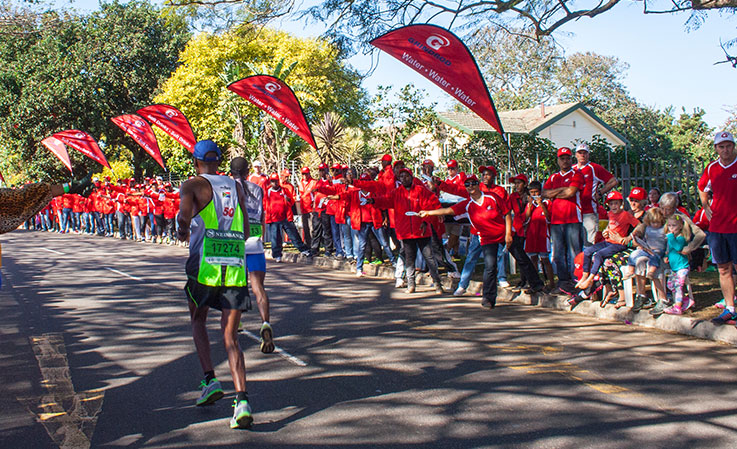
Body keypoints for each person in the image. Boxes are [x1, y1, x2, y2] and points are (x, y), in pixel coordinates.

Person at [177, 140, 253, 429]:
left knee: (197, 320)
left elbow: (184, 217)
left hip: (203, 266)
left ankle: (210, 380)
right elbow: (245, 229)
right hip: (234, 265)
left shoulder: (192, 185)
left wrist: (184, 231)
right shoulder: (236, 186)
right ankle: (243, 400)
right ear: (219, 161)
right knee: (231, 336)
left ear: (195, 161)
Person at [420, 174, 512, 308]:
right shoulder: (467, 202)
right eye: (467, 184)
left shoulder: (492, 196)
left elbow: (507, 212)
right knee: (484, 264)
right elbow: (449, 209)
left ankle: (527, 282)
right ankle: (475, 291)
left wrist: (508, 234)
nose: (470, 187)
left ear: (478, 183)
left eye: (473, 183)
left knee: (515, 257)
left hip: (502, 233)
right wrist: (429, 212)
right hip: (482, 237)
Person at [368, 168, 444, 294]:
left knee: (429, 258)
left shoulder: (421, 190)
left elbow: (431, 203)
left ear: (411, 177)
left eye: (406, 176)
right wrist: (374, 201)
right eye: (401, 176)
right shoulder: (396, 192)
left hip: (422, 230)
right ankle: (411, 284)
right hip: (406, 232)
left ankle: (437, 284)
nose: (404, 178)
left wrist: (426, 220)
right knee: (409, 259)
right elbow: (385, 200)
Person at [230, 157, 275, 353]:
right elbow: (262, 215)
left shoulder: (229, 188)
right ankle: (265, 323)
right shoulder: (258, 189)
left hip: (236, 243)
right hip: (255, 242)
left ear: (231, 172)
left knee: (236, 285)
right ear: (248, 171)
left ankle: (237, 322)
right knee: (258, 287)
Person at [698, 131, 737, 325]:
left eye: (728, 145)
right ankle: (730, 308)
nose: (725, 149)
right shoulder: (712, 168)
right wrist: (706, 206)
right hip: (718, 227)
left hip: (736, 227)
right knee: (723, 268)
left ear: (733, 146)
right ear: (716, 149)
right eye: (721, 146)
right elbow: (702, 187)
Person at [575, 191, 639, 291]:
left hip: (618, 244)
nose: (613, 206)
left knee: (599, 255)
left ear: (621, 204)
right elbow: (609, 226)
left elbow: (639, 226)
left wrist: (629, 237)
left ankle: (590, 279)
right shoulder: (609, 214)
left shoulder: (625, 215)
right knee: (587, 252)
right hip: (608, 241)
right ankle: (584, 275)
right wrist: (606, 231)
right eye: (611, 204)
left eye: (616, 203)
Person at [543, 147, 585, 291]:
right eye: (562, 158)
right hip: (556, 220)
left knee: (574, 251)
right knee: (559, 253)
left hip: (573, 219)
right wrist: (562, 191)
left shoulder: (577, 174)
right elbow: (545, 193)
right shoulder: (553, 177)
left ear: (571, 159)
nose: (565, 161)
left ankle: (576, 281)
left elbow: (571, 192)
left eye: (567, 158)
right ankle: (563, 281)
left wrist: (555, 193)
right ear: (558, 160)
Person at [622, 207, 667, 311]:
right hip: (647, 249)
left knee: (654, 260)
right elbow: (639, 236)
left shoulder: (664, 228)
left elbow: (667, 242)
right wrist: (640, 244)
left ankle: (662, 298)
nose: (654, 225)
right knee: (636, 257)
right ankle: (640, 293)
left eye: (656, 222)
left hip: (659, 252)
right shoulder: (647, 227)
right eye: (652, 222)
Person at [573, 143, 618, 247]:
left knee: (589, 242)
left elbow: (613, 181)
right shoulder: (572, 169)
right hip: (574, 212)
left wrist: (600, 192)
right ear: (576, 155)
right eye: (580, 153)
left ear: (588, 155)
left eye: (585, 153)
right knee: (575, 243)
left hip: (589, 211)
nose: (582, 155)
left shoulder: (594, 168)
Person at [264, 173, 312, 262]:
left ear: (278, 181)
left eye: (276, 181)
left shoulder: (284, 190)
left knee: (294, 235)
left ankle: (304, 250)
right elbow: (265, 205)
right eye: (272, 181)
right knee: (276, 238)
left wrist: (288, 200)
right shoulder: (268, 192)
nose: (274, 183)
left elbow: (292, 201)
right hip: (274, 219)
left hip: (286, 217)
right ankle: (277, 255)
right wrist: (268, 218)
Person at [524, 180, 555, 291]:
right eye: (532, 192)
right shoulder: (530, 205)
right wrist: (530, 205)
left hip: (543, 235)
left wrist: (541, 204)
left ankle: (551, 283)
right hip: (532, 235)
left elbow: (549, 217)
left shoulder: (547, 203)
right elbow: (526, 219)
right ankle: (535, 283)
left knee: (545, 260)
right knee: (533, 260)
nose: (534, 195)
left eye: (536, 192)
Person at [663, 215, 694, 315]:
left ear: (680, 226)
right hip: (674, 267)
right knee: (670, 284)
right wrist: (666, 256)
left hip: (682, 267)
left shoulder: (681, 238)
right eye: (669, 226)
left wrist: (671, 236)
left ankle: (678, 307)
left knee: (678, 285)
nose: (671, 228)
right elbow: (669, 250)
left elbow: (678, 248)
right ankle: (685, 300)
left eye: (674, 226)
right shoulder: (671, 238)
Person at [443, 159, 466, 256]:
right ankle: (455, 252)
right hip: (448, 206)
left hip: (459, 206)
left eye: (452, 168)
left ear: (456, 168)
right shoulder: (447, 179)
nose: (450, 171)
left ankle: (448, 250)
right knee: (448, 228)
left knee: (456, 229)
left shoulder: (460, 177)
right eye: (449, 169)